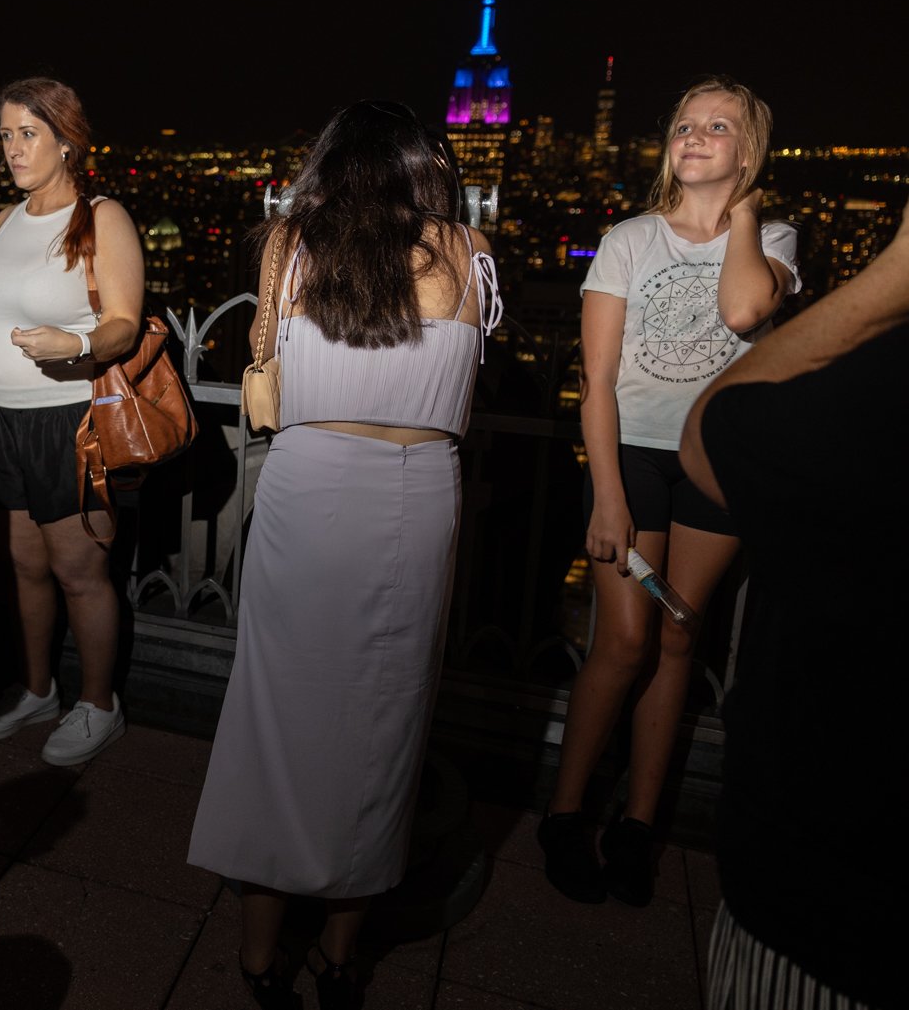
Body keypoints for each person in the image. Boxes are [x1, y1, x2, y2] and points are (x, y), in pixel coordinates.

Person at [187, 100, 502, 1010]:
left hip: (309, 482)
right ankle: (338, 956)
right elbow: (465, 394)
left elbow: (265, 385)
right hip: (419, 489)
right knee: (386, 720)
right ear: (425, 168)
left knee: (276, 713)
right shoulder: (471, 255)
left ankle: (256, 956)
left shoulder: (290, 244)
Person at [540, 77, 799, 908]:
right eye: (685, 124)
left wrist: (745, 214)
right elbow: (600, 379)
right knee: (623, 642)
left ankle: (640, 824)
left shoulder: (776, 239)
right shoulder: (627, 239)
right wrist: (608, 494)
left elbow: (743, 306)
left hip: (718, 463)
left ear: (747, 151)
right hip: (635, 459)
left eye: (717, 127)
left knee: (680, 642)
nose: (693, 136)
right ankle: (566, 811)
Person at [679, 212, 907, 1010]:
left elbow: (715, 429)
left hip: (834, 913)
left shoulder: (773, 245)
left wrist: (890, 280)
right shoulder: (631, 238)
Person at [0, 77, 144, 766]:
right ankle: (38, 689)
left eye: (27, 132)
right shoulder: (8, 221)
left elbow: (123, 323)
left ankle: (100, 704)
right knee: (24, 564)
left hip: (70, 418)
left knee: (79, 570)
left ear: (67, 139)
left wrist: (78, 344)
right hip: (5, 420)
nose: (12, 147)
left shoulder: (102, 217)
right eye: (5, 133)